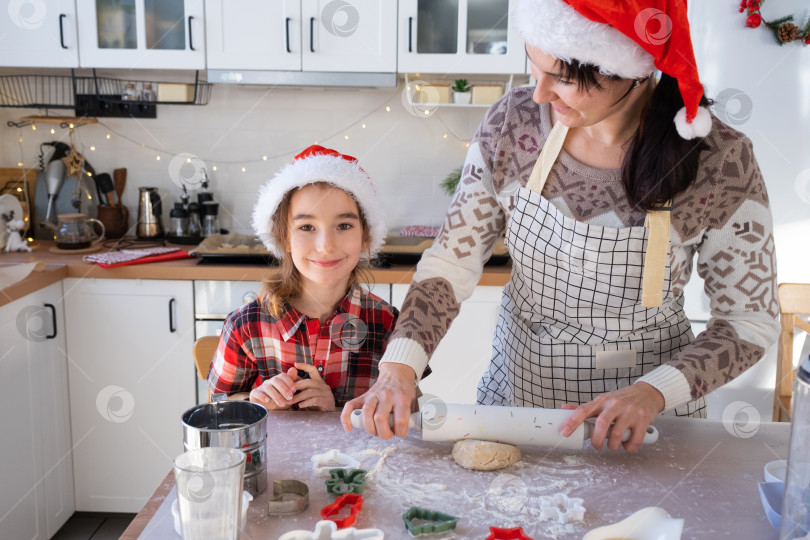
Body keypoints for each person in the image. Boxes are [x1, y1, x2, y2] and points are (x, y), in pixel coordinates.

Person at [342, 0, 779, 451]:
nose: (540, 94)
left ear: (626, 69)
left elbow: (750, 321)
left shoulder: (719, 160)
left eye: (564, 80)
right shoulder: (513, 125)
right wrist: (399, 367)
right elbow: (451, 261)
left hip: (645, 425)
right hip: (516, 407)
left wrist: (653, 393)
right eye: (536, 68)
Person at [208, 145, 398, 411]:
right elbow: (217, 406)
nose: (325, 246)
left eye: (344, 225)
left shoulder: (389, 325)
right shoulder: (245, 326)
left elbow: (408, 415)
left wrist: (335, 413)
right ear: (284, 237)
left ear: (366, 236)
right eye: (307, 227)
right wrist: (254, 403)